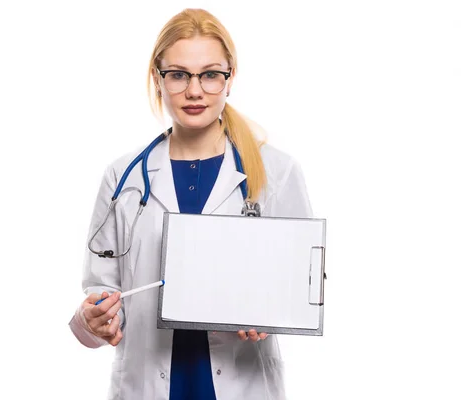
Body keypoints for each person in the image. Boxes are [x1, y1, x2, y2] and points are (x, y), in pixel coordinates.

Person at [68, 8, 313, 400]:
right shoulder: (123, 178)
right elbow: (100, 292)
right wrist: (93, 319)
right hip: (148, 383)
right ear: (158, 80)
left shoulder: (276, 172)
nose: (194, 90)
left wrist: (270, 315)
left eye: (210, 74)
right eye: (178, 74)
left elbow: (302, 284)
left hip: (241, 383)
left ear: (230, 79)